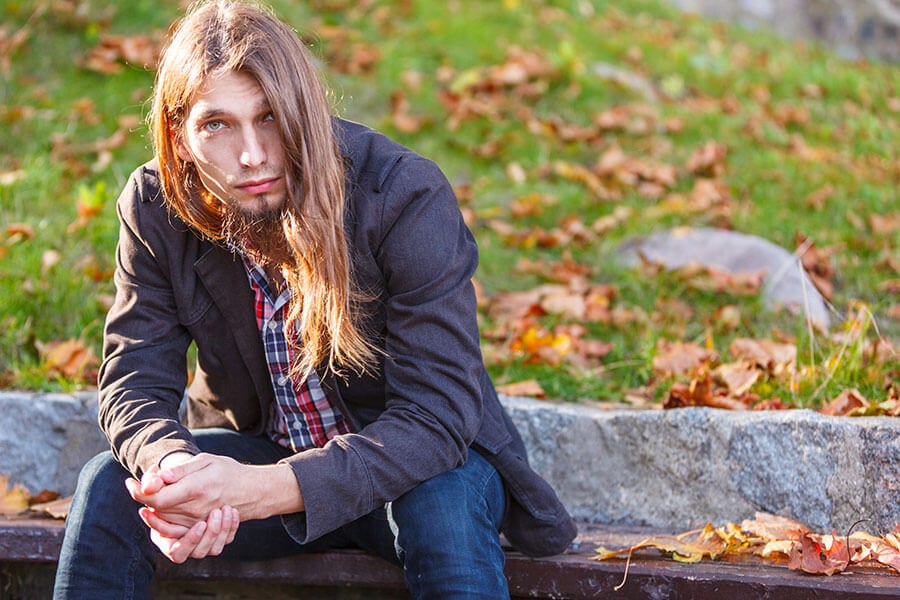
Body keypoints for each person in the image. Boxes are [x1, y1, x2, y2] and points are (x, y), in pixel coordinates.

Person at [53, 1, 576, 598]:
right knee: (107, 486)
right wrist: (174, 467)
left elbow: (435, 417)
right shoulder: (156, 206)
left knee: (444, 509)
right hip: (263, 456)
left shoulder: (402, 193)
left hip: (410, 474)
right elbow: (134, 378)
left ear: (305, 110)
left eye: (270, 118)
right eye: (216, 125)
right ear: (180, 134)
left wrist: (260, 489)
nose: (251, 155)